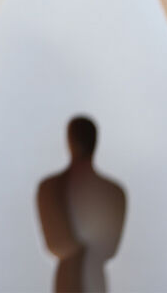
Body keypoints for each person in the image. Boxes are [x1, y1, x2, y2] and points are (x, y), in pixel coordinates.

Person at [37, 116, 127, 292]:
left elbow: (109, 247)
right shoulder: (114, 192)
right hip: (73, 278)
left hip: (86, 277)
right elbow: (55, 244)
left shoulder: (49, 188)